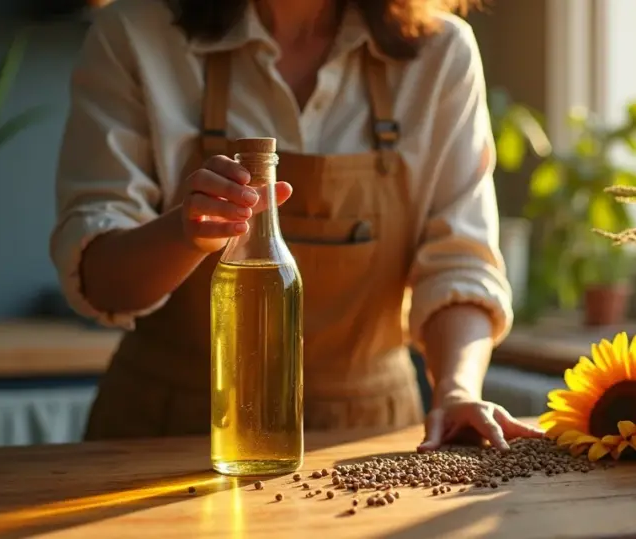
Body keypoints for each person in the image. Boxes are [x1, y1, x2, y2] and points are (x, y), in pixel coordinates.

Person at [50, 0, 543, 452]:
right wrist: (185, 235)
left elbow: (459, 263)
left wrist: (456, 392)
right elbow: (102, 280)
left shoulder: (440, 53)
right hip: (169, 432)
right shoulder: (135, 35)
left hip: (366, 433)